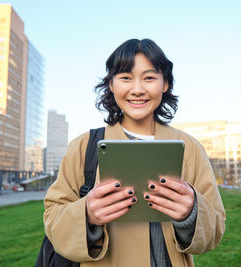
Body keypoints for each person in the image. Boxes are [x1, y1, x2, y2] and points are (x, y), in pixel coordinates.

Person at [43, 39, 226, 266]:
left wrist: (191, 213)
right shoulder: (84, 146)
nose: (137, 89)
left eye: (149, 78)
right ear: (111, 85)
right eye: (125, 78)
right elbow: (52, 218)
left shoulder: (189, 147)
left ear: (165, 84)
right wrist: (87, 214)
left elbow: (216, 228)